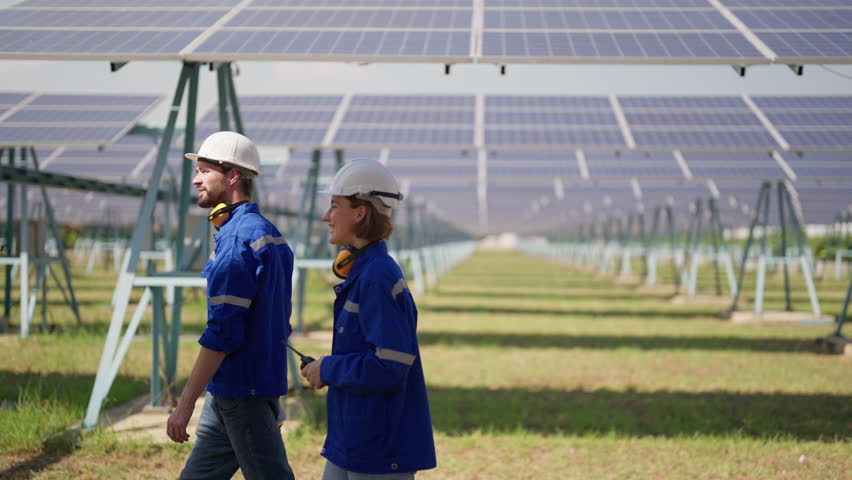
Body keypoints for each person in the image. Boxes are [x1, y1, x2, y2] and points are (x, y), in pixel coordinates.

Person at [166, 131, 296, 480]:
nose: (196, 179)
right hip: (238, 389)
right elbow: (276, 324)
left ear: (233, 176)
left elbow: (223, 332)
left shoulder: (237, 240)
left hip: (242, 390)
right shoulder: (271, 235)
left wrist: (184, 404)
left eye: (205, 170)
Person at [301, 160, 437, 479]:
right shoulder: (365, 272)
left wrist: (328, 368)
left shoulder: (377, 277)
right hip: (352, 437)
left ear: (360, 212)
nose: (326, 216)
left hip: (378, 446)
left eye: (335, 206)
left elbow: (390, 366)